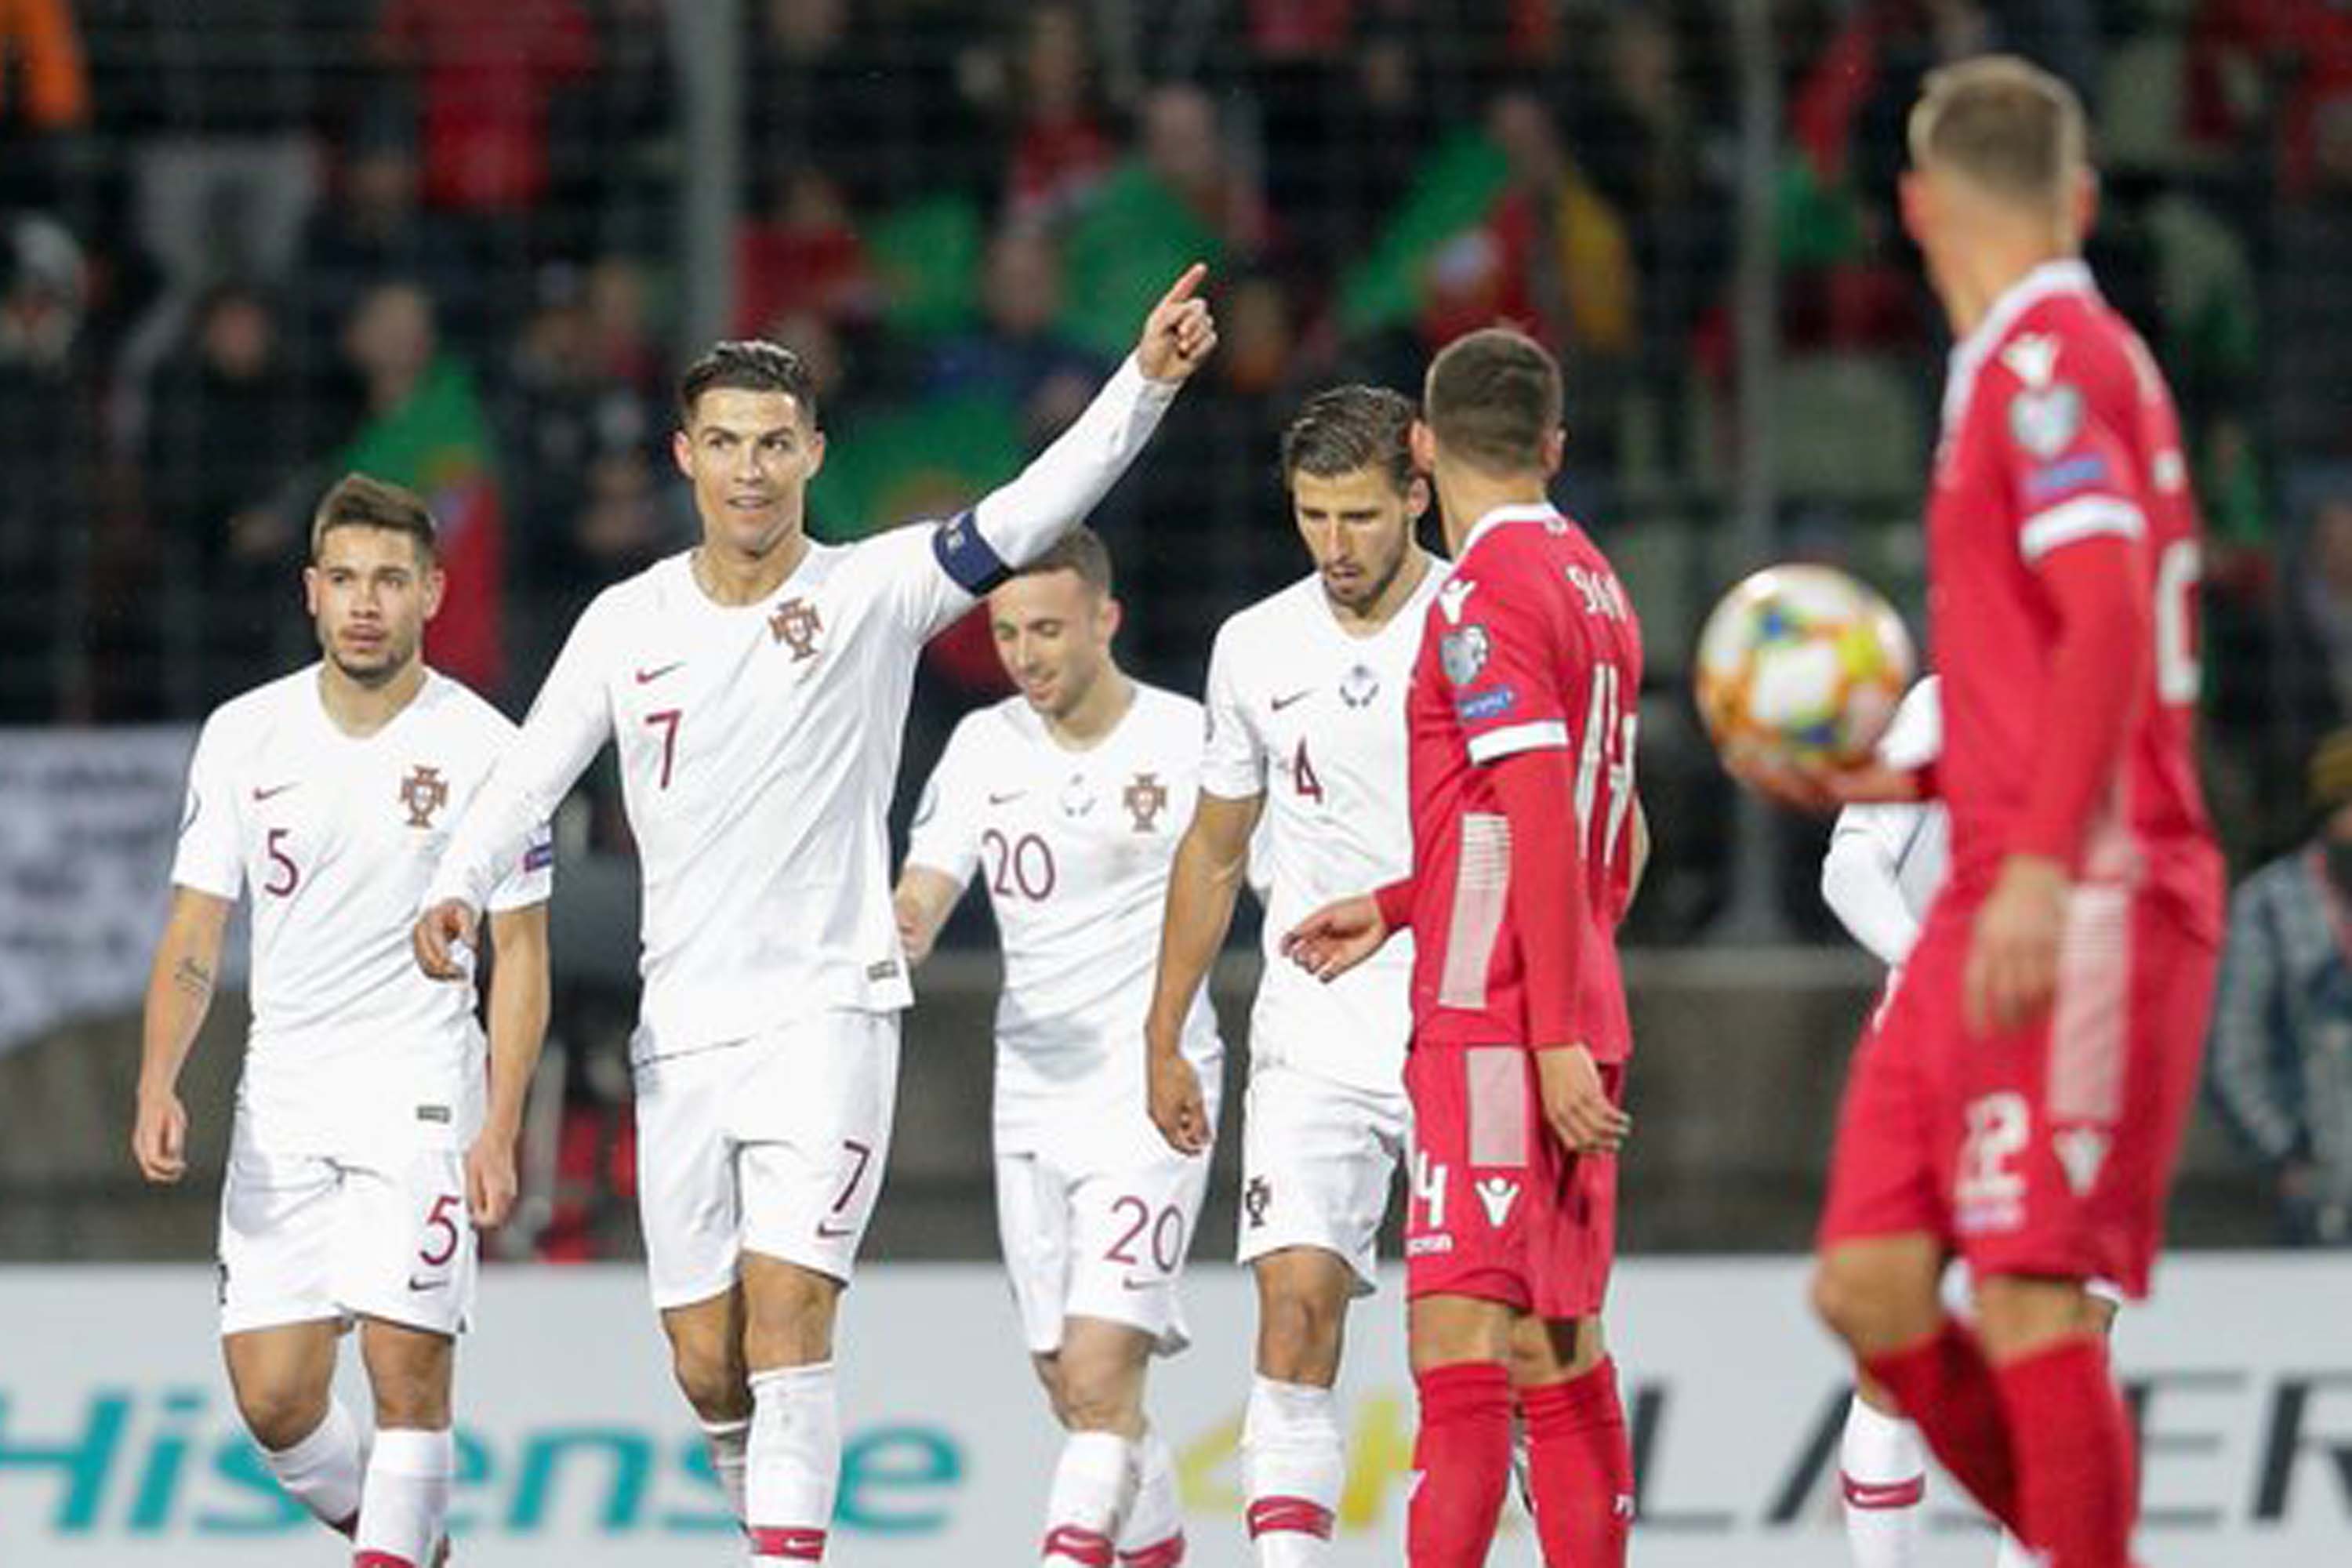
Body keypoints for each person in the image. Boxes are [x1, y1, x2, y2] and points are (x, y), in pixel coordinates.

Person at [412, 267, 1215, 1564]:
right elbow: (526, 774)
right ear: (685, 456)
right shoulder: (629, 624)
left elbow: (1028, 513)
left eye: (774, 444)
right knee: (705, 1363)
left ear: (813, 454)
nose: (749, 470)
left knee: (789, 1322)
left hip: (827, 1017)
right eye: (724, 444)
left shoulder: (872, 593)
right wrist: (453, 881)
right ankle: (767, 1514)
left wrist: (1146, 384)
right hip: (685, 1035)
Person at [1743, 58, 2225, 1568]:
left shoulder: (2047, 367)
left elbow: (2098, 626)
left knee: (2028, 1299)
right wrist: (1911, 783)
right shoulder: (2023, 364)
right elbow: (2060, 658)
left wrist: (2026, 869)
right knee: (1870, 1290)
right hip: (1998, 885)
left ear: (1913, 206)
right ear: (2078, 196)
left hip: (2080, 895)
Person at [132, 474, 554, 1568]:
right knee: (275, 1401)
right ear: (312, 591)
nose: (367, 602)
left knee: (407, 1379)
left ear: (432, 593)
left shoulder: (491, 750)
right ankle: (415, 1549)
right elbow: (193, 930)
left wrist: (500, 1121)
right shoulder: (244, 736)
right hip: (284, 1095)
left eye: (392, 581)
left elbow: (523, 956)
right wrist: (157, 1079)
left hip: (420, 1091)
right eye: (348, 580)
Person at [1283, 327, 1643, 1568]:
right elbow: (1613, 838)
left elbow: (1537, 817)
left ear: (1424, 452)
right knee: (1560, 1348)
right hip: (1574, 1002)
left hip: (1499, 1025)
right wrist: (1397, 901)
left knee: (1459, 1361)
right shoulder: (1598, 583)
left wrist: (1536, 1037)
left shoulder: (1484, 600)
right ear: (1554, 445)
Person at [1142, 384, 1446, 1564]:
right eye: (1314, 515)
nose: (1335, 545)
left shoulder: (1473, 621)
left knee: (1485, 1340)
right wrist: (1164, 1029)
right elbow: (1216, 849)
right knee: (1295, 1304)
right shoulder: (1257, 645)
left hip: (1463, 1016)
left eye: (1362, 516)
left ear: (1417, 495)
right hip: (1313, 1024)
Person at [893, 528, 1220, 1568]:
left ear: (1105, 619)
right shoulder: (986, 747)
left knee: (1097, 1368)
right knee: (1072, 1387)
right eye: (1006, 633)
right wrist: (886, 933)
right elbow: (925, 892)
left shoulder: (1186, 741)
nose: (1025, 654)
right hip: (1029, 1095)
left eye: (1046, 629)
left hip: (1152, 1088)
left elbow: (1263, 883)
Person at [1820, 674, 2119, 1568]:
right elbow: (1850, 863)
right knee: (1895, 1338)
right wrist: (1930, 966)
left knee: (2067, 1343)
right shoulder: (1948, 702)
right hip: (1942, 1052)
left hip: (2075, 1055)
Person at [2207, 728, 2352, 1246]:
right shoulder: (2269, 906)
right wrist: (2287, 1152)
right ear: (2328, 815)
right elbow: (2233, 1049)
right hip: (2316, 1190)